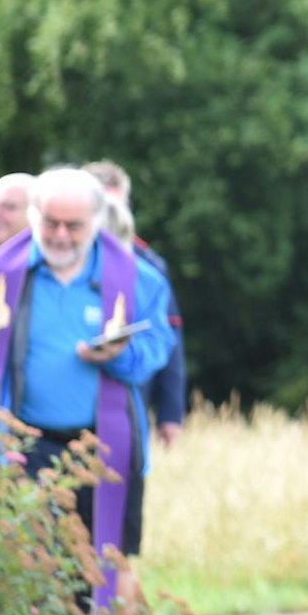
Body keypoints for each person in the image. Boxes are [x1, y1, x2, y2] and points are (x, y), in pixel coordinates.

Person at [0, 168, 176, 615]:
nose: (60, 235)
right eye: (49, 223)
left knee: (99, 569)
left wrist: (118, 356)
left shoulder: (138, 279)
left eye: (73, 226)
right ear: (33, 217)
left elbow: (155, 355)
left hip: (102, 449)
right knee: (25, 568)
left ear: (98, 222)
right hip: (19, 447)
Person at [85, 160, 188, 447]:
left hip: (128, 399)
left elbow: (168, 336)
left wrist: (170, 411)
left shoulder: (148, 268)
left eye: (119, 206)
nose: (113, 216)